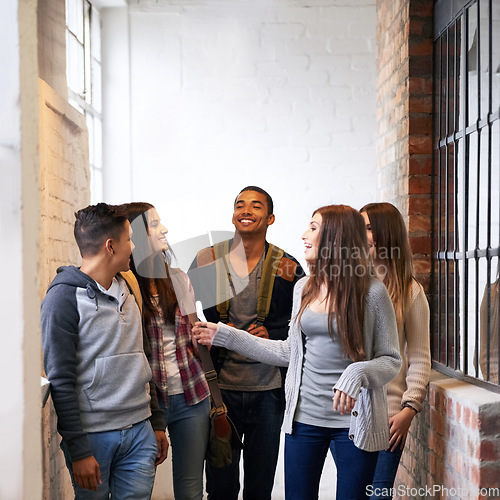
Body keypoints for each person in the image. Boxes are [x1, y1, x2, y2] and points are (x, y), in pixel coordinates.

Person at [193, 204, 402, 500]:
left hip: (354, 424)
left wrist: (357, 372)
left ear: (336, 237)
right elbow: (288, 352)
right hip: (304, 420)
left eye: (314, 228)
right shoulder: (304, 287)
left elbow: (391, 360)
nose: (304, 235)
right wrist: (225, 335)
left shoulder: (372, 292)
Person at [41, 203, 169, 499]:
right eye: (129, 239)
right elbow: (61, 378)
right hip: (93, 438)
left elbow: (142, 355)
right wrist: (79, 450)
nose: (133, 246)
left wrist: (156, 421)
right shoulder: (62, 299)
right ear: (111, 246)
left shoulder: (129, 287)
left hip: (140, 431)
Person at [188, 186, 304, 500]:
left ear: (271, 218)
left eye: (256, 205)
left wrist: (275, 333)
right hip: (219, 391)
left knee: (259, 485)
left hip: (267, 392)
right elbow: (181, 309)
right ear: (233, 215)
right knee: (220, 486)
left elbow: (301, 326)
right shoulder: (208, 260)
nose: (246, 210)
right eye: (240, 204)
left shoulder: (287, 266)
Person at [123, 202, 211, 500]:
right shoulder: (124, 285)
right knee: (136, 489)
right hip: (144, 403)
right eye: (155, 224)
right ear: (133, 234)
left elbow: (191, 333)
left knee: (190, 491)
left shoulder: (178, 278)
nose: (165, 230)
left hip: (191, 394)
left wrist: (207, 332)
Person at [360, 202, 431, 499]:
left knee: (377, 494)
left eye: (366, 227)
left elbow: (420, 357)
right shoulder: (354, 286)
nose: (360, 234)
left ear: (385, 234)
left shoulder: (410, 291)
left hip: (389, 417)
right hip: (352, 415)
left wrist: (409, 410)